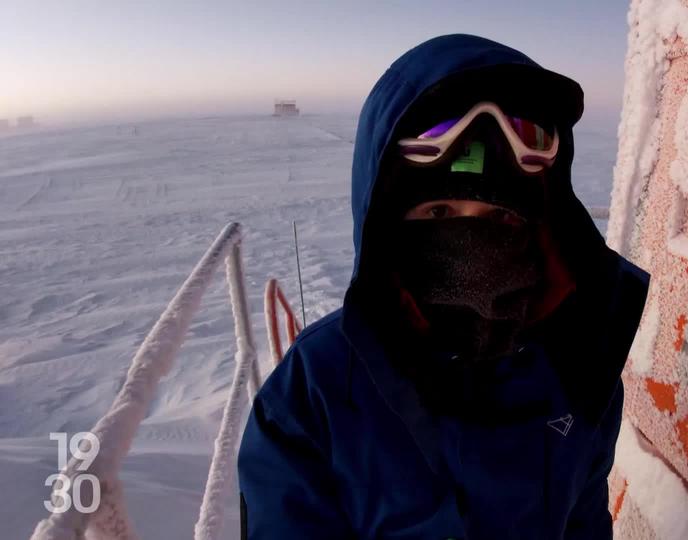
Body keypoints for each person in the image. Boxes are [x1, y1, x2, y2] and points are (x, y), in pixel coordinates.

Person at [238, 34, 650, 539]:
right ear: (388, 227)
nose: (474, 245)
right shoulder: (315, 392)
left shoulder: (579, 366)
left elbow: (584, 523)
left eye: (500, 216)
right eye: (440, 213)